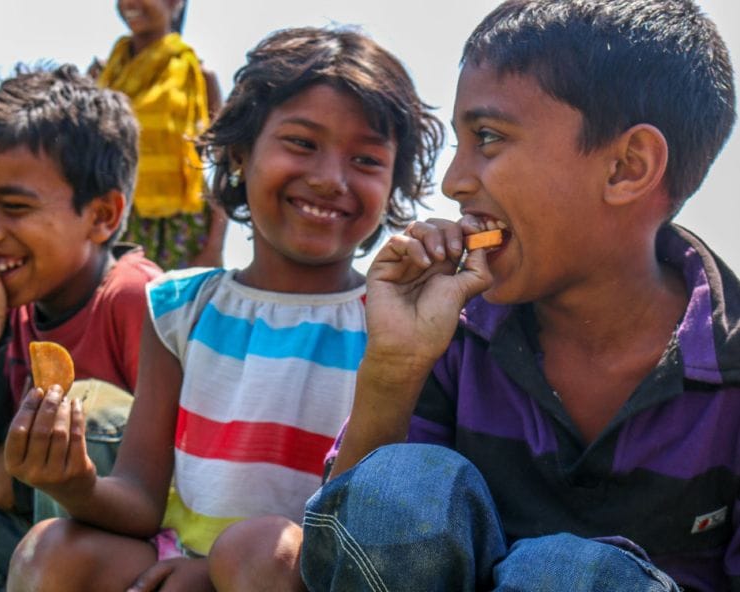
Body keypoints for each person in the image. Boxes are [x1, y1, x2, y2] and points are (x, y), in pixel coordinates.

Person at [297, 0, 739, 591]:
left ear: (627, 167)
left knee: (570, 577)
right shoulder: (458, 324)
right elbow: (347, 555)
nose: (454, 181)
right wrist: (395, 367)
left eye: (487, 137)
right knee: (390, 489)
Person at [3, 25, 444, 592]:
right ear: (239, 154)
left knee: (261, 551)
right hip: (178, 557)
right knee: (53, 550)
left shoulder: (392, 322)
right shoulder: (181, 309)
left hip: (307, 572)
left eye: (365, 158)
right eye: (302, 143)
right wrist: (74, 482)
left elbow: (369, 525)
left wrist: (217, 573)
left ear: (394, 183)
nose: (330, 179)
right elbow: (138, 495)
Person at [0, 64, 162, 589]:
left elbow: (174, 480)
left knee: (85, 403)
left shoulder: (137, 300)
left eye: (13, 206)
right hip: (25, 543)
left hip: (119, 558)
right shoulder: (16, 301)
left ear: (102, 216)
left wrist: (21, 477)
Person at [97, 0, 226, 270]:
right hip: (113, 222)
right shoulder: (103, 75)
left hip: (182, 231)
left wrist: (214, 248)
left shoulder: (199, 78)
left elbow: (228, 166)